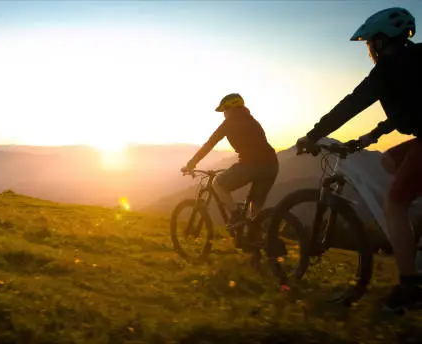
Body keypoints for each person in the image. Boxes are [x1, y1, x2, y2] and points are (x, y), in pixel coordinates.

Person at [296, 7, 422, 313]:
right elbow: (409, 110)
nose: (370, 49)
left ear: (381, 41)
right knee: (388, 163)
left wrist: (313, 135)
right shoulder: (415, 59)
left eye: (370, 43)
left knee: (394, 204)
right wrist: (370, 137)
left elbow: (350, 105)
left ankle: (410, 287)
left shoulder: (388, 69)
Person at [181, 93, 279, 249]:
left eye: (224, 110)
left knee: (218, 184)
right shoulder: (253, 121)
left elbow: (209, 144)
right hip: (271, 166)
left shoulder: (229, 123)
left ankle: (235, 215)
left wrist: (191, 163)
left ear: (231, 108)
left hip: (251, 165)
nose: (223, 114)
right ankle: (255, 242)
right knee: (256, 207)